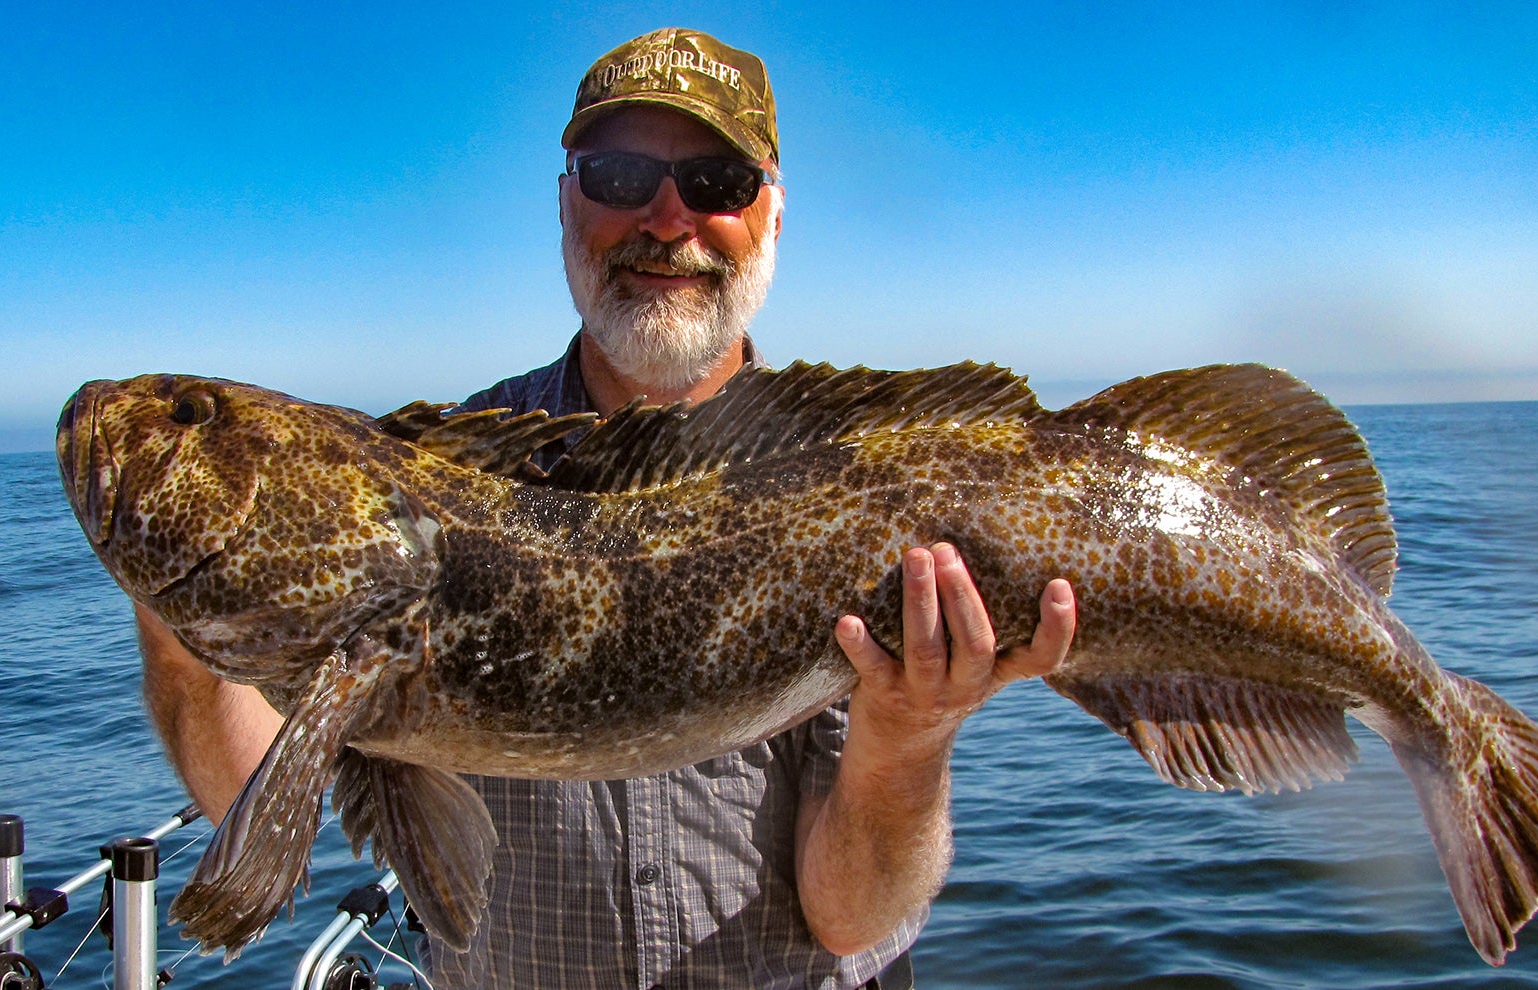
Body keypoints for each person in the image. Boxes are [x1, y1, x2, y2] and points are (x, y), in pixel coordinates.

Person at [135, 27, 1077, 989]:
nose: (668, 220)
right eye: (619, 176)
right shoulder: (440, 480)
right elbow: (246, 798)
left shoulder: (852, 488)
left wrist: (908, 734)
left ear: (774, 216)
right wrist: (186, 633)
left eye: (717, 182)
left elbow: (848, 921)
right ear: (563, 201)